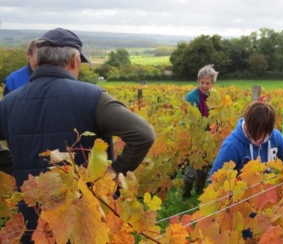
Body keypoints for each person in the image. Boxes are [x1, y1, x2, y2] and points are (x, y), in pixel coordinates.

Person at [0, 28, 156, 243]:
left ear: (37, 60)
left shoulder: (7, 103)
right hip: (83, 213)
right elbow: (144, 134)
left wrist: (16, 166)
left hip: (33, 214)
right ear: (74, 60)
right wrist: (115, 170)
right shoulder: (93, 97)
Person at [208, 101, 283, 179]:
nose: (258, 138)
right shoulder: (232, 146)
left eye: (262, 133)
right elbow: (215, 181)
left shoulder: (276, 137)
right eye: (254, 132)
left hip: (270, 190)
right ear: (246, 124)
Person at [182, 64, 218, 200]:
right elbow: (186, 119)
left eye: (207, 83)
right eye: (202, 82)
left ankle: (199, 192)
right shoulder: (191, 97)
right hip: (194, 137)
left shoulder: (215, 97)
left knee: (206, 165)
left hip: (209, 138)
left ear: (212, 83)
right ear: (198, 82)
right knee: (192, 168)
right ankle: (185, 197)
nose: (204, 86)